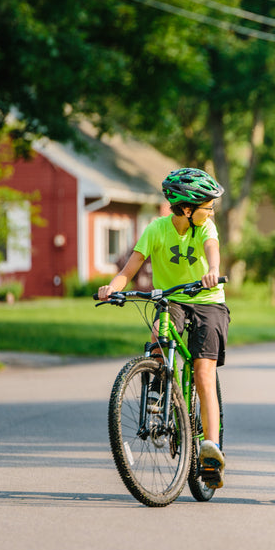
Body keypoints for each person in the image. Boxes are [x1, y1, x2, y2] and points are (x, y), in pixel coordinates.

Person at [98, 167, 230, 488]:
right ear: (187, 209)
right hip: (172, 299)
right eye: (206, 206)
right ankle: (158, 391)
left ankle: (210, 447)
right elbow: (130, 267)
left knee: (203, 371)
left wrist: (213, 270)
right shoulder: (156, 229)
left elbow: (213, 251)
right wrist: (112, 286)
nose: (211, 211)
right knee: (159, 332)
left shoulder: (206, 228)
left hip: (208, 299)